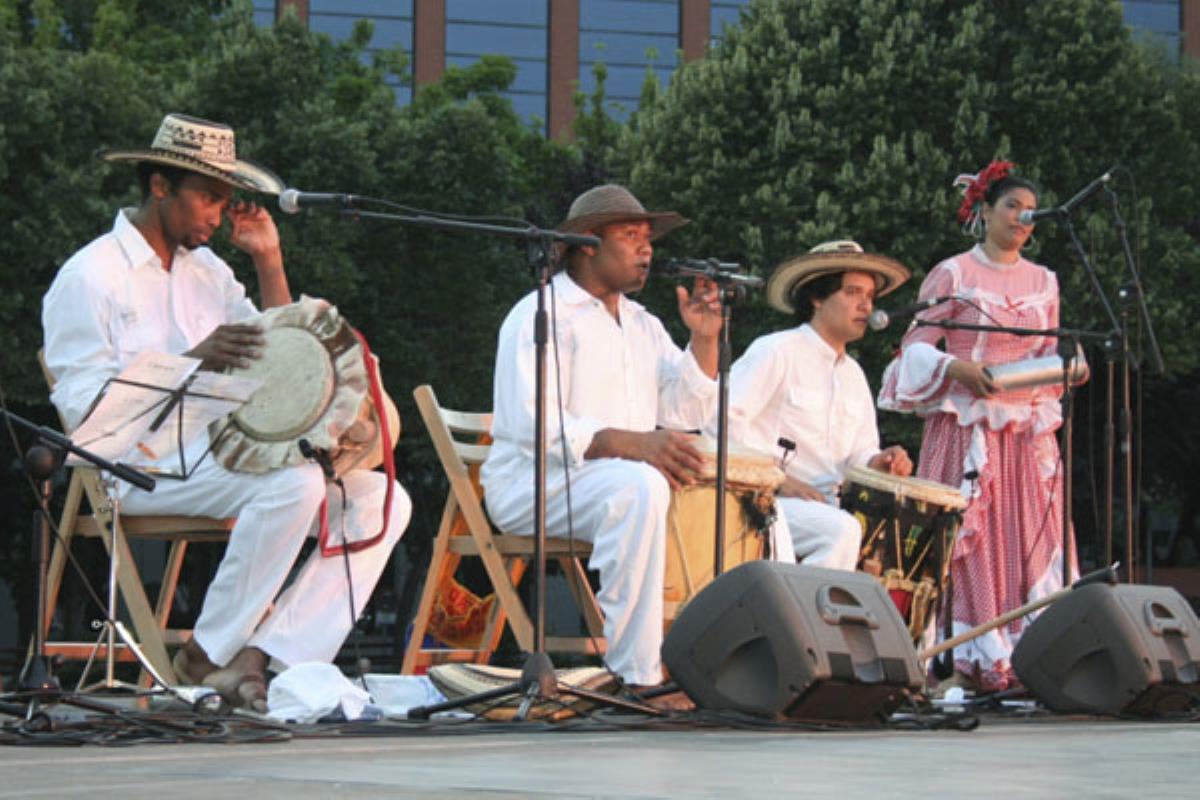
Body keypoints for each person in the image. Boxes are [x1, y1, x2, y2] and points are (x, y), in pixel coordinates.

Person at [41, 113, 411, 710]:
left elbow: (279, 354)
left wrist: (268, 260)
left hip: (220, 456)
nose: (219, 214)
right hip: (134, 469)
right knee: (295, 483)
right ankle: (207, 656)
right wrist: (192, 361)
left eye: (225, 199)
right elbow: (87, 419)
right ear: (161, 186)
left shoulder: (208, 271)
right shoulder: (90, 275)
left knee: (382, 500)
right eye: (209, 197)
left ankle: (261, 656)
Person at [481, 184, 794, 707]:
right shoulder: (540, 313)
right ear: (587, 243)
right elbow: (534, 422)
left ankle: (717, 664)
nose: (646, 248)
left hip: (613, 481)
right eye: (630, 235)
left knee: (693, 488)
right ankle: (638, 674)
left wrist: (704, 339)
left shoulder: (643, 324)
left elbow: (685, 412)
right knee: (642, 486)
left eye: (648, 238)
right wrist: (635, 445)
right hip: (532, 483)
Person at [878, 161, 1079, 691]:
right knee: (972, 541)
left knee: (1028, 535)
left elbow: (1047, 351)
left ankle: (1030, 655)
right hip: (967, 425)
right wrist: (958, 368)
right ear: (985, 211)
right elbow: (914, 349)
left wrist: (1062, 370)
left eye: (1029, 210)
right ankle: (967, 658)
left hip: (1024, 431)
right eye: (1012, 206)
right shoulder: (954, 273)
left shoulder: (1045, 281)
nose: (1022, 217)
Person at [723, 240, 913, 570]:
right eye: (852, 292)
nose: (866, 306)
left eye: (870, 296)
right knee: (840, 530)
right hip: (761, 500)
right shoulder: (776, 350)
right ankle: (811, 605)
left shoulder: (854, 374)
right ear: (817, 297)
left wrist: (881, 461)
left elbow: (859, 455)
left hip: (827, 506)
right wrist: (777, 479)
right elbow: (721, 425)